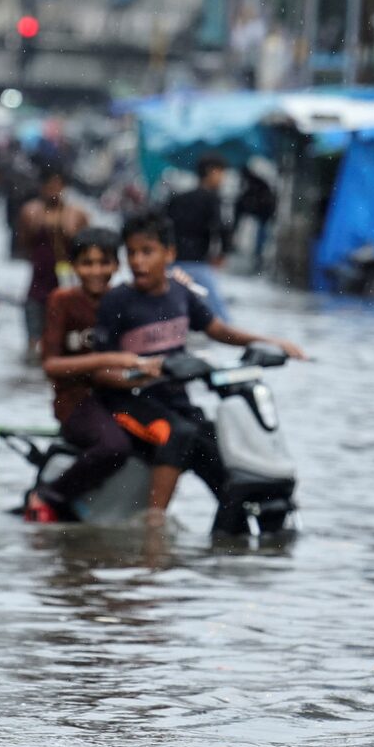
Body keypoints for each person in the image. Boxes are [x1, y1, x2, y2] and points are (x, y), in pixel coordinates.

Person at [95, 210, 306, 534]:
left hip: (174, 401)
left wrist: (272, 342)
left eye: (147, 252)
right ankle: (154, 526)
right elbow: (98, 369)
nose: (138, 261)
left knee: (216, 449)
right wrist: (138, 375)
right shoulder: (117, 302)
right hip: (129, 403)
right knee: (178, 433)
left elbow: (219, 330)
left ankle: (232, 539)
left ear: (170, 254)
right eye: (132, 253)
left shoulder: (182, 295)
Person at [23, 227, 148, 523]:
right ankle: (50, 495)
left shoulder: (124, 299)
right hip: (75, 401)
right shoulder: (62, 301)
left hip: (119, 396)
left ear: (117, 265)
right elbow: (51, 365)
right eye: (87, 263)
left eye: (104, 263)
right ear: (74, 266)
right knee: (113, 446)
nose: (96, 271)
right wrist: (106, 360)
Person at [16, 168, 89, 357]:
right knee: (34, 339)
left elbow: (88, 248)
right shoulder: (31, 212)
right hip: (38, 283)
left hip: (67, 284)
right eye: (49, 185)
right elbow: (23, 244)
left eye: (57, 186)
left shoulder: (77, 214)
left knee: (68, 339)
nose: (53, 190)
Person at [164, 154, 232, 319]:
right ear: (211, 172)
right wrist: (223, 253)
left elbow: (164, 226)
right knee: (221, 318)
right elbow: (221, 228)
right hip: (197, 264)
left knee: (167, 311)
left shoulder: (178, 198)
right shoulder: (212, 199)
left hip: (172, 263)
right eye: (221, 172)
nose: (223, 178)